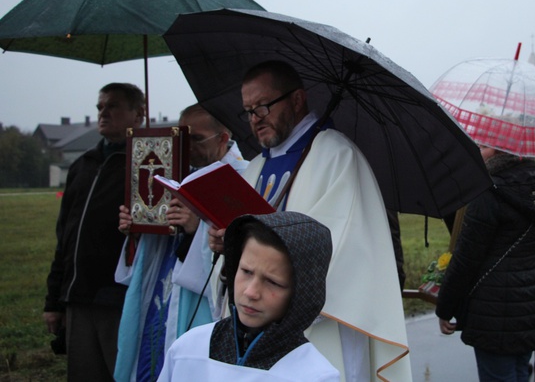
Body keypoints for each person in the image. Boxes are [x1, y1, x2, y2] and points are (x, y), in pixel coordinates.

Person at [209, 60, 411, 381]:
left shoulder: (337, 157)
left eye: (262, 107)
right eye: (248, 112)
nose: (254, 120)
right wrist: (225, 246)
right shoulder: (256, 168)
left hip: (319, 333)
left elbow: (346, 255)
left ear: (297, 99)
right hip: (256, 324)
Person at [114, 104, 249, 382]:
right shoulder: (173, 173)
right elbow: (144, 262)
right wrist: (138, 227)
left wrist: (194, 230)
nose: (186, 147)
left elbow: (238, 254)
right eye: (181, 138)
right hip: (160, 295)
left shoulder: (242, 178)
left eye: (196, 139)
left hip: (201, 304)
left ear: (223, 138)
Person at [158, 211, 339, 381]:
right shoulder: (188, 350)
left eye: (273, 282)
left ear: (301, 294)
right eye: (246, 271)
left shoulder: (315, 376)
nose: (251, 292)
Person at [43, 82, 145, 381]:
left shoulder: (147, 166)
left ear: (138, 113)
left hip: (119, 299)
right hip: (77, 297)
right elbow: (65, 239)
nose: (103, 113)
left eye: (112, 106)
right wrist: (54, 301)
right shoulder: (82, 165)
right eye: (100, 107)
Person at [435, 145, 535, 382]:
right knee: (520, 373)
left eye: (483, 146)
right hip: (530, 303)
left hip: (494, 308)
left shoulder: (489, 192)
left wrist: (445, 308)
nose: (477, 151)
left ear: (500, 150)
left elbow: (466, 259)